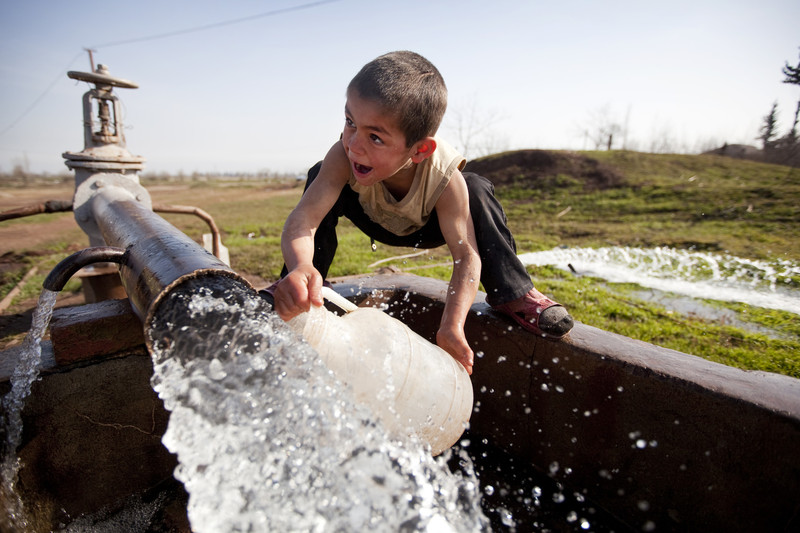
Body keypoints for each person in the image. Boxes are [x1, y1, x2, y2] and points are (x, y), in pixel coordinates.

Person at [269, 51, 573, 375]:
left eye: (375, 137)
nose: (354, 144)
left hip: (428, 226)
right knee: (320, 173)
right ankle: (301, 284)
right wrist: (300, 265)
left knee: (477, 188)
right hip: (372, 217)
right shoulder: (343, 156)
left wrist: (452, 325)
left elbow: (466, 257)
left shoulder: (444, 177)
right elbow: (304, 220)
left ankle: (514, 293)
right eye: (350, 122)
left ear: (419, 150)